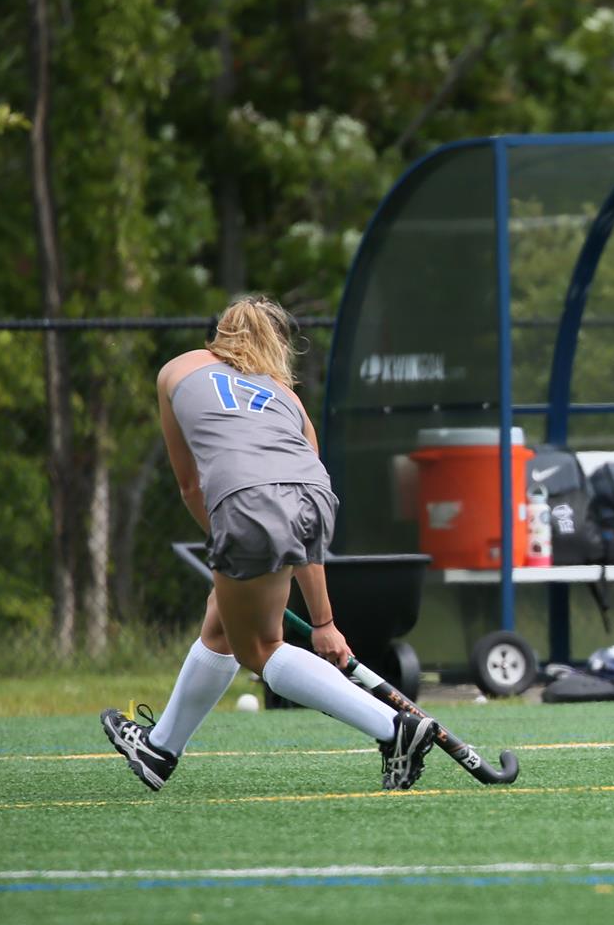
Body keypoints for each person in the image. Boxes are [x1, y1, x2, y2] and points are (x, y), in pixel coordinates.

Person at [101, 297, 438, 792]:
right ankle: (160, 749)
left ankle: (394, 729)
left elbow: (192, 486)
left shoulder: (176, 371)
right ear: (276, 343)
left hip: (245, 502)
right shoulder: (290, 400)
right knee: (223, 621)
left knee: (260, 647)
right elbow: (303, 525)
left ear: (220, 333)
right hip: (315, 497)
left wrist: (227, 540)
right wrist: (323, 621)